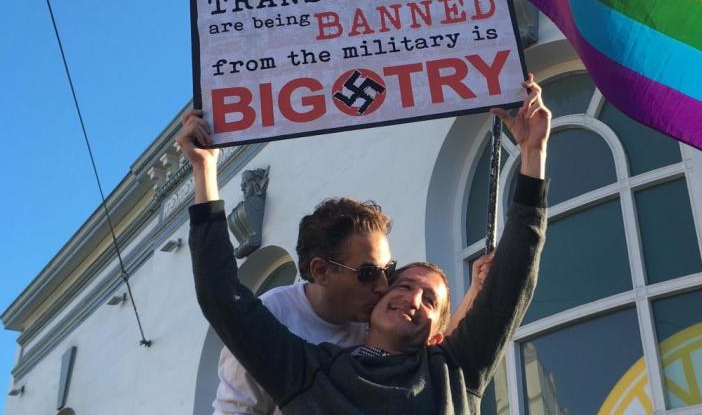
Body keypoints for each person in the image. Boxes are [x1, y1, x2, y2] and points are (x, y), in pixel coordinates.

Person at [187, 76, 550, 414]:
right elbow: (222, 297)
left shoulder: (453, 373)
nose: (412, 298)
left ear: (436, 335)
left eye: (430, 302)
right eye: (403, 284)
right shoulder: (312, 370)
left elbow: (513, 279)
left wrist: (533, 155)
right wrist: (204, 172)